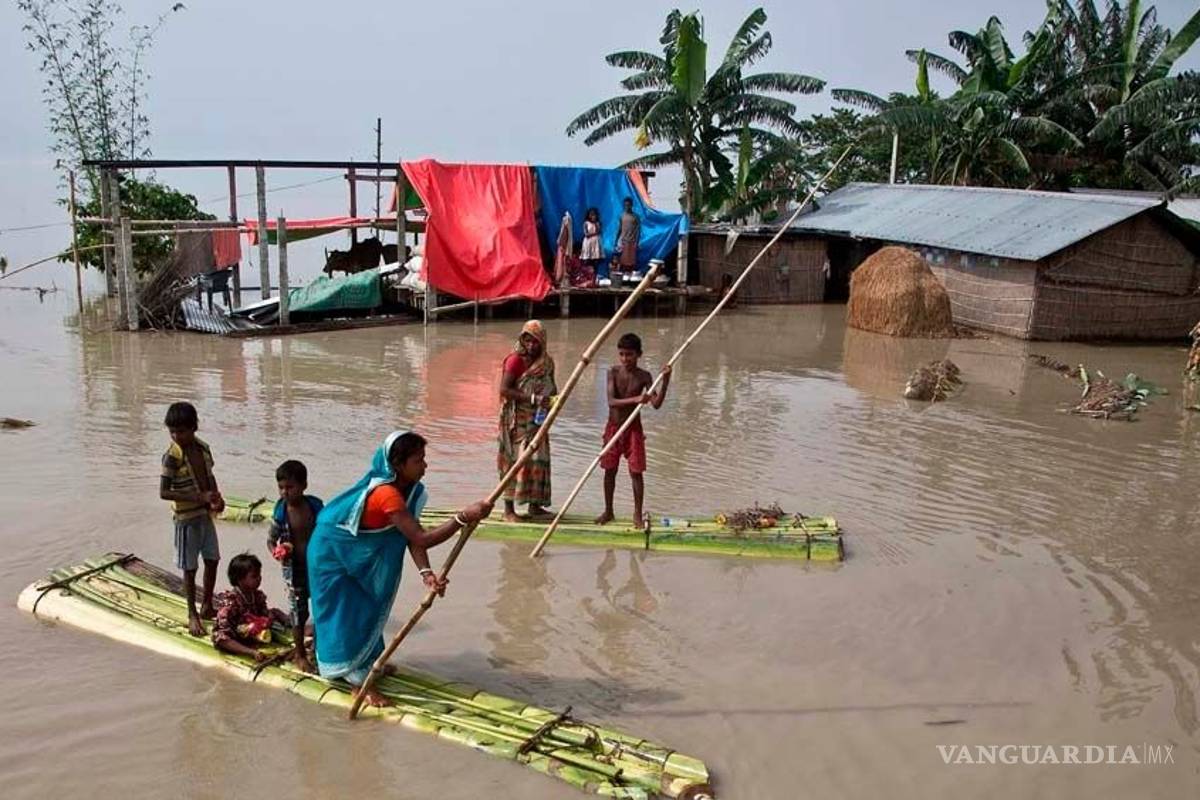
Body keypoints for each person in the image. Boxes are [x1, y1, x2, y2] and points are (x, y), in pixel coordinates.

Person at [307, 431, 493, 707]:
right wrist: (461, 518)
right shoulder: (386, 494)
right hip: (332, 554)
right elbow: (421, 537)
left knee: (367, 605)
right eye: (418, 460)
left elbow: (408, 537)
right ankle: (355, 681)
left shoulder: (410, 492)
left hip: (356, 553)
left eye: (424, 459)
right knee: (347, 610)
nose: (425, 466)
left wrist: (426, 573)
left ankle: (367, 661)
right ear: (398, 464)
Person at [160, 401, 224, 638]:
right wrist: (199, 496)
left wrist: (217, 498)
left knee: (213, 559)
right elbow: (164, 492)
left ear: (194, 428)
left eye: (182, 431)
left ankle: (207, 605)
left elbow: (210, 476)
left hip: (204, 514)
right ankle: (192, 614)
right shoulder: (171, 457)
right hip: (185, 517)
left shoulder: (204, 449)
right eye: (172, 432)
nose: (177, 436)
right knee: (189, 567)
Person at [595, 333, 671, 528]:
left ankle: (637, 514)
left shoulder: (645, 376)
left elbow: (656, 404)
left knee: (636, 472)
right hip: (614, 428)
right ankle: (608, 511)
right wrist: (636, 399)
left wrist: (666, 381)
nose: (625, 359)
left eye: (629, 355)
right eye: (621, 354)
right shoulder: (612, 372)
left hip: (633, 430)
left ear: (639, 355)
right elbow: (612, 402)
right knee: (609, 470)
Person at [268, 459, 324, 673]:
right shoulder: (281, 512)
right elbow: (271, 540)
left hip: (317, 568)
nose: (285, 492)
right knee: (298, 613)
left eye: (290, 487)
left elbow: (328, 532)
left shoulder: (315, 506)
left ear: (303, 486)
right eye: (281, 488)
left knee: (321, 609)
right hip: (294, 571)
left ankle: (320, 651)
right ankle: (300, 654)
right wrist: (277, 552)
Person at [497, 320, 557, 522]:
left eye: (536, 342)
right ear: (522, 340)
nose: (531, 346)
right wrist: (532, 398)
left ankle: (535, 506)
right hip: (516, 420)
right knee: (514, 462)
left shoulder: (547, 363)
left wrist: (552, 401)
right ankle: (508, 511)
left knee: (538, 461)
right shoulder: (515, 361)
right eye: (528, 341)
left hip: (538, 419)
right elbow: (504, 390)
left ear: (543, 342)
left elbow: (552, 388)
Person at [212, 553, 289, 661]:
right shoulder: (230, 602)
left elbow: (264, 613)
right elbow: (223, 631)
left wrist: (268, 619)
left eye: (259, 575)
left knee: (276, 612)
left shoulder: (257, 595)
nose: (259, 579)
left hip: (255, 630)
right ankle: (249, 651)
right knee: (220, 638)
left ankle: (294, 629)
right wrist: (251, 652)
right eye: (254, 576)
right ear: (240, 579)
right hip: (237, 634)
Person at [615, 197, 641, 277]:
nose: (627, 206)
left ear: (631, 205)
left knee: (631, 261)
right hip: (623, 241)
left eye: (629, 205)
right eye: (626, 205)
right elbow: (619, 228)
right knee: (622, 260)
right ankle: (621, 277)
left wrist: (636, 242)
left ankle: (630, 277)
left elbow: (638, 231)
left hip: (632, 241)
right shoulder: (622, 216)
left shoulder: (635, 217)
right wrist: (616, 240)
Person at [581, 207, 607, 286]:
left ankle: (594, 280)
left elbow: (599, 231)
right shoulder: (586, 223)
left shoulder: (598, 223)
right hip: (588, 244)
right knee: (587, 261)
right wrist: (595, 233)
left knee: (595, 262)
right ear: (588, 215)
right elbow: (586, 234)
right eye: (591, 215)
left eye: (594, 215)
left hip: (596, 244)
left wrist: (596, 225)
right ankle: (586, 278)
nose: (593, 217)